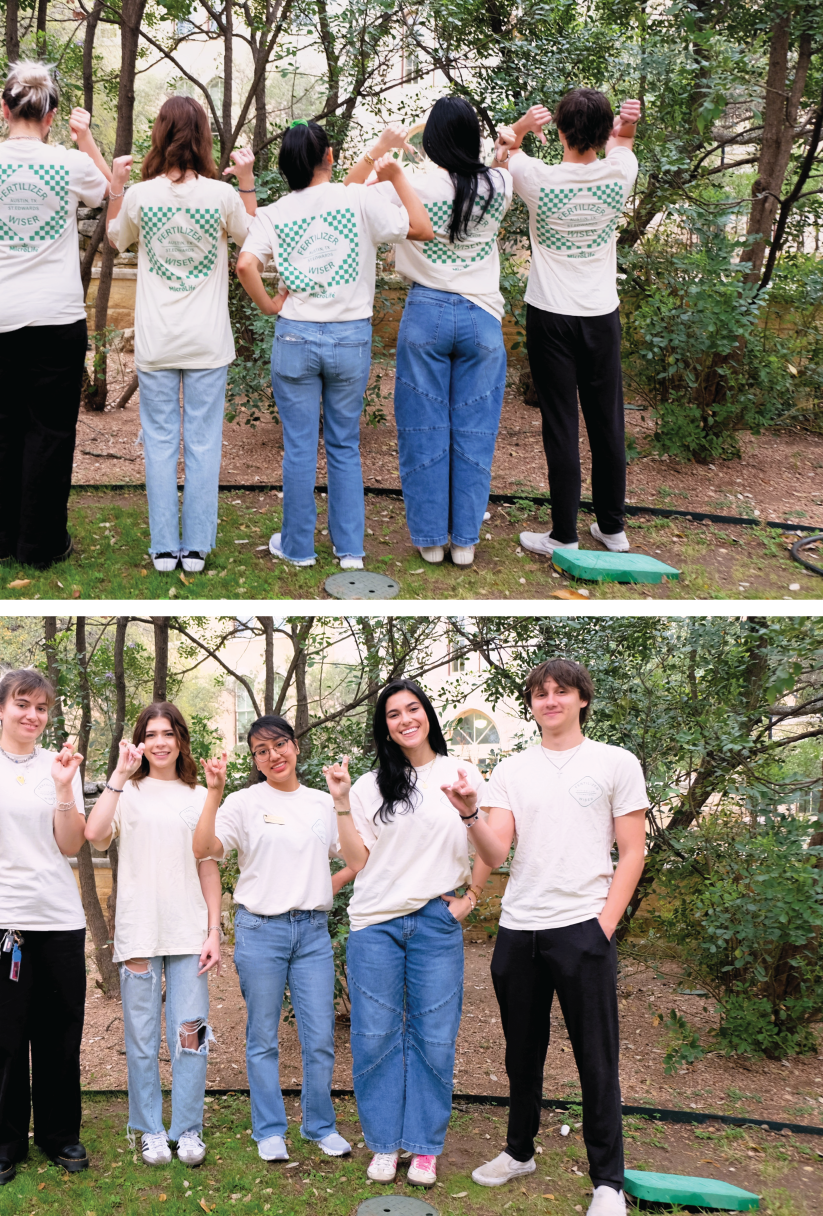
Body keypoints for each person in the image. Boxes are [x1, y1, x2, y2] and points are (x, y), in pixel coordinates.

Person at [451, 659, 648, 1216]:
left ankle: (608, 1181)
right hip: (519, 932)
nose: (550, 700)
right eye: (540, 694)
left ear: (582, 698)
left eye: (561, 691)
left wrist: (604, 925)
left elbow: (632, 851)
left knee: (596, 1058)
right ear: (531, 705)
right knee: (522, 1055)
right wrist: (471, 813)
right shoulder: (513, 769)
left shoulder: (615, 762)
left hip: (583, 929)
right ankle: (519, 1151)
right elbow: (498, 850)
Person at [236, 121, 434, 571]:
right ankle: (350, 553)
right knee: (344, 445)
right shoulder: (358, 198)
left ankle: (299, 548)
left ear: (285, 166)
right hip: (349, 338)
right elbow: (421, 228)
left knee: (300, 447)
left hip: (295, 336)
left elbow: (246, 264)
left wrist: (269, 305)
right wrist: (395, 176)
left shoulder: (274, 212)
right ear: (328, 157)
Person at [324, 678, 496, 1187]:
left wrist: (470, 900)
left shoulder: (462, 773)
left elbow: (487, 847)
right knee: (374, 1036)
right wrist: (338, 801)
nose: (405, 720)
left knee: (435, 1038)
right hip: (375, 924)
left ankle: (423, 1147)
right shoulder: (369, 787)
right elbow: (359, 861)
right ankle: (383, 1142)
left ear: (427, 715)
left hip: (434, 922)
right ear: (385, 728)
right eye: (393, 714)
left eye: (412, 709)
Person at [0, 62, 110, 569]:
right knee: (51, 429)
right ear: (53, 115)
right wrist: (85, 139)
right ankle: (41, 543)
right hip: (54, 316)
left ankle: (0, 540)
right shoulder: (68, 163)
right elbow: (108, 189)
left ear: (4, 109)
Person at [346, 102, 512, 567]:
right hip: (482, 316)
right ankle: (465, 542)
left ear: (432, 139)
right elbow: (492, 167)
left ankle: (429, 539)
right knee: (475, 431)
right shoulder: (501, 183)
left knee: (423, 429)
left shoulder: (411, 185)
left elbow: (346, 193)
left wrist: (381, 152)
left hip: (427, 313)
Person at [0, 669, 90, 1183]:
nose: (32, 715)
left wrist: (65, 789)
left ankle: (59, 1136)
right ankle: (2, 1143)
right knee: (2, 1038)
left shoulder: (60, 765)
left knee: (59, 1036)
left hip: (58, 920)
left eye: (42, 707)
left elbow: (71, 844)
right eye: (22, 704)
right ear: (0, 707)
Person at [192, 715, 355, 1162]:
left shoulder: (324, 802)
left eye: (279, 745)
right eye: (261, 751)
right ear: (256, 761)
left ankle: (319, 1125)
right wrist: (213, 792)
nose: (273, 756)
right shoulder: (243, 803)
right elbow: (204, 848)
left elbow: (358, 857)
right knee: (263, 1035)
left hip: (313, 935)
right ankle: (268, 1129)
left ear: (295, 747)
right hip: (260, 931)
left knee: (319, 1035)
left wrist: (323, 887)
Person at [105, 98, 257, 574]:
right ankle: (195, 549)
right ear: (203, 137)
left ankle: (164, 548)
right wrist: (247, 182)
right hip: (208, 341)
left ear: (161, 134)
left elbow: (115, 238)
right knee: (204, 442)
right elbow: (253, 240)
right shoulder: (221, 195)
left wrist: (116, 188)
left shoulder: (141, 196)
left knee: (160, 442)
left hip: (158, 341)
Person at [494, 91, 642, 558]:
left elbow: (505, 152)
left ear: (557, 131)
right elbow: (624, 144)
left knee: (561, 423)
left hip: (551, 315)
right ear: (604, 133)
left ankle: (563, 533)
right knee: (607, 422)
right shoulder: (620, 174)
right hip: (601, 315)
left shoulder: (538, 178)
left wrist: (521, 125)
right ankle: (613, 528)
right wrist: (628, 127)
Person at [83, 702, 223, 1167]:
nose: (160, 742)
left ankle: (187, 1129)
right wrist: (119, 777)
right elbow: (95, 834)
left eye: (169, 733)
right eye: (151, 733)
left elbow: (208, 866)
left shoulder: (200, 794)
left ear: (181, 739)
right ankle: (149, 1130)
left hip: (189, 936)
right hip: (140, 933)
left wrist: (213, 931)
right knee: (142, 1039)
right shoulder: (128, 792)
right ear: (141, 741)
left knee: (190, 1035)